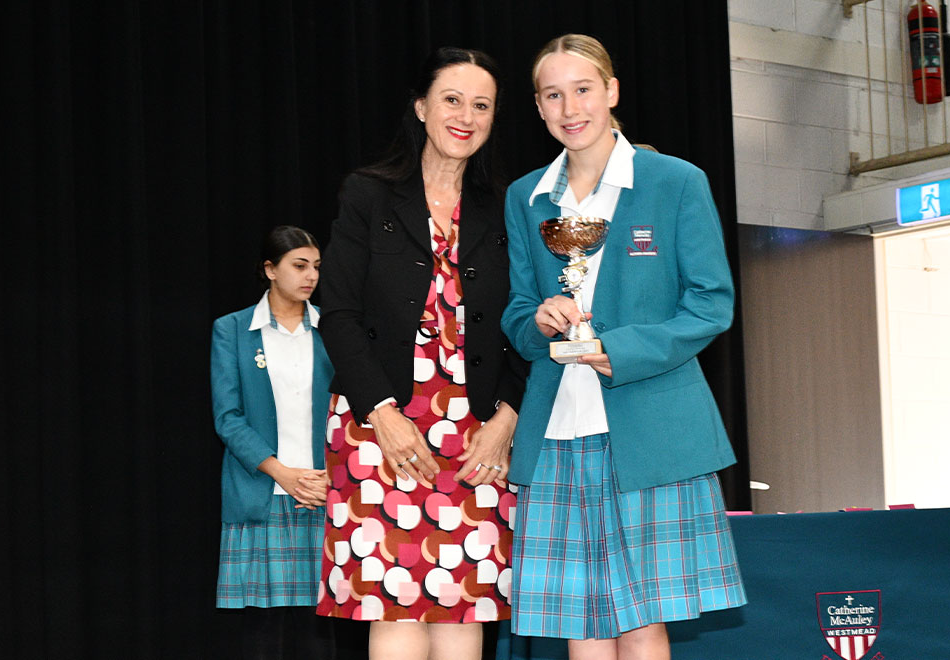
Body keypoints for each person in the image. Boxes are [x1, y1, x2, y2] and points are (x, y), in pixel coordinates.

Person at [500, 34, 747, 660]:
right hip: (556, 432)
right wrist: (541, 322)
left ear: (611, 92)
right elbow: (518, 312)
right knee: (580, 621)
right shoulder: (526, 197)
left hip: (652, 426)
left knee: (641, 621)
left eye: (582, 89)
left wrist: (627, 349)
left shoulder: (675, 182)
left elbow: (712, 303)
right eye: (553, 95)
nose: (569, 107)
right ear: (538, 107)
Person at [315, 47, 526, 660]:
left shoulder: (510, 206)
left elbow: (527, 326)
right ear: (421, 107)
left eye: (481, 105)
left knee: (464, 613)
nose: (466, 115)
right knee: (395, 606)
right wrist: (382, 413)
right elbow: (340, 314)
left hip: (478, 436)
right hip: (379, 428)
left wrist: (506, 423)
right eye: (452, 100)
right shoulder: (368, 194)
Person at [211, 226, 337, 659]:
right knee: (263, 633)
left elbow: (352, 413)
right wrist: (285, 474)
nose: (310, 276)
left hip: (323, 493)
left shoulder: (333, 330)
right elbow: (228, 419)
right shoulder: (231, 330)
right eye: (298, 266)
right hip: (264, 492)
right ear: (269, 269)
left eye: (316, 267)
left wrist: (327, 479)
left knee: (320, 631)